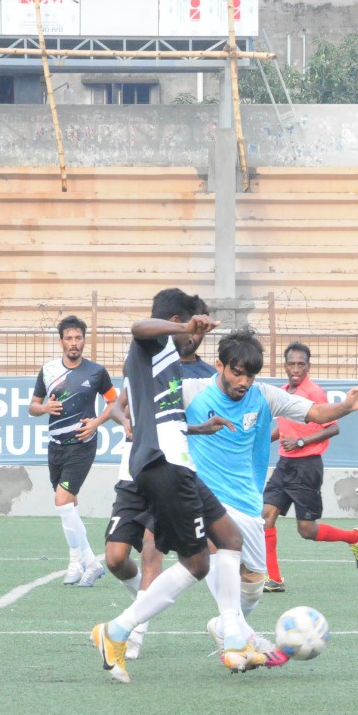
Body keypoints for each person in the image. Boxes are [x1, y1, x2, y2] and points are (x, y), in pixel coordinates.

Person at [90, 288, 267, 683]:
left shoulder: (168, 361)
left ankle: (233, 633)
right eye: (191, 329)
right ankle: (120, 631)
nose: (195, 337)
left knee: (228, 540)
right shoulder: (150, 346)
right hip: (163, 465)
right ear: (173, 323)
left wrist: (199, 428)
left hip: (177, 464)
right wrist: (182, 326)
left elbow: (162, 414)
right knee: (195, 562)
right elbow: (139, 326)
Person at [182, 328, 358, 663]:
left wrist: (346, 406)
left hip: (249, 497)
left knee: (255, 581)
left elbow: (317, 414)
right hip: (206, 495)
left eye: (251, 374)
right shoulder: (193, 391)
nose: (243, 381)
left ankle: (229, 625)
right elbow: (148, 409)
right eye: (237, 372)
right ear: (220, 366)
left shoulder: (265, 396)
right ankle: (231, 640)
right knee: (219, 556)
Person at [261, 342, 358, 593]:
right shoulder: (282, 392)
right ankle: (274, 579)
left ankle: (355, 537)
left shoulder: (314, 392)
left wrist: (300, 442)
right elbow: (287, 426)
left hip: (307, 466)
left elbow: (332, 427)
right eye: (292, 364)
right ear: (285, 366)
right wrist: (264, 440)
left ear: (308, 366)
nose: (296, 369)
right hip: (284, 465)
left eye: (301, 364)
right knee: (265, 517)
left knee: (306, 530)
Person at [29, 315, 117, 587]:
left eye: (78, 338)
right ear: (61, 342)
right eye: (69, 338)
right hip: (55, 446)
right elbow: (33, 407)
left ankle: (81, 562)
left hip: (82, 444)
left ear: (83, 340)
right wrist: (44, 409)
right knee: (69, 505)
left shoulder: (96, 372)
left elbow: (115, 403)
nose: (74, 343)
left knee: (62, 500)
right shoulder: (48, 371)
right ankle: (83, 562)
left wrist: (97, 422)